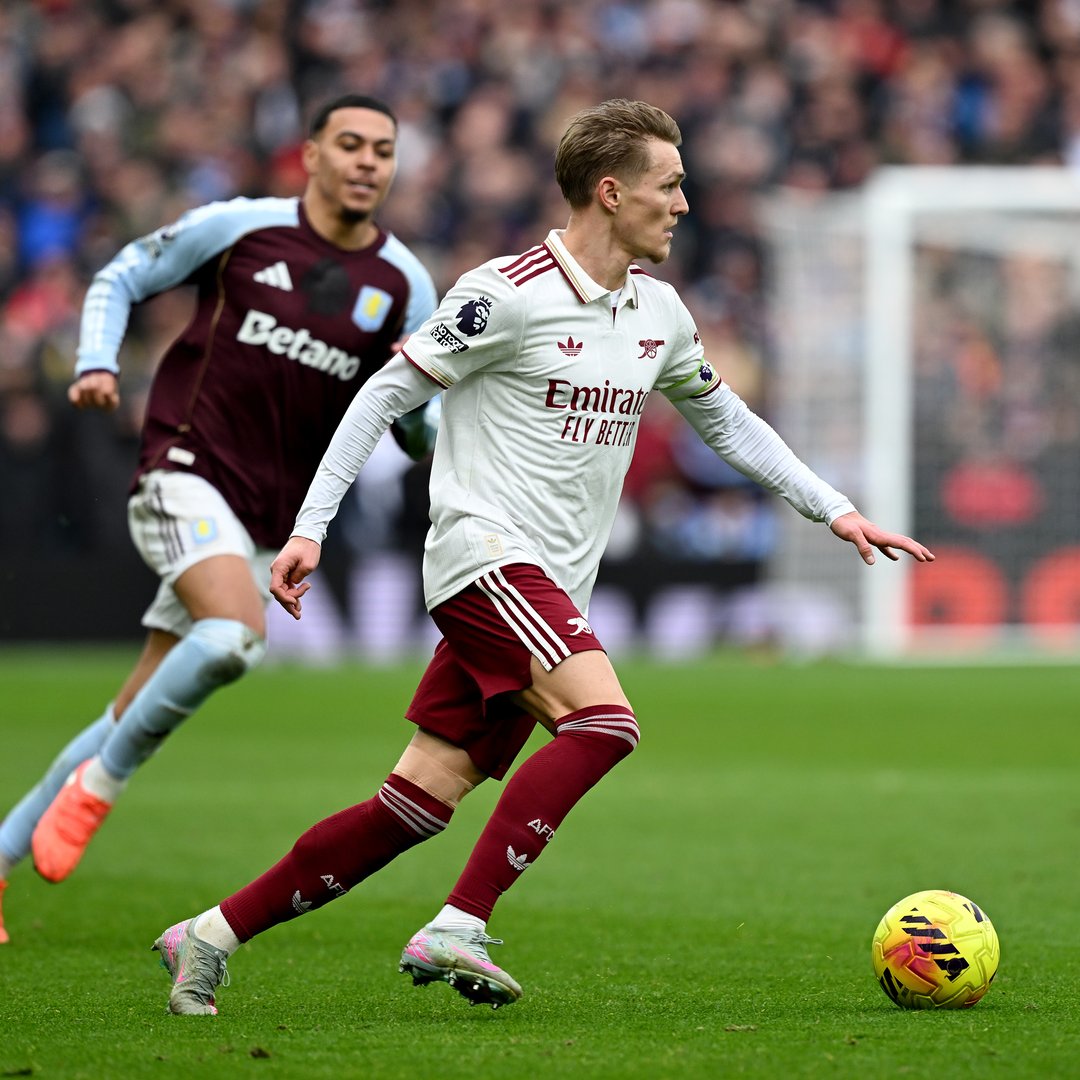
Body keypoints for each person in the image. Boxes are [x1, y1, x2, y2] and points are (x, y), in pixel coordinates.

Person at [151, 98, 934, 1015]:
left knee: (412, 805)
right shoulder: (506, 293)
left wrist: (834, 511)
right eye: (669, 184)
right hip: (485, 559)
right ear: (611, 192)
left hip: (548, 585)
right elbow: (379, 398)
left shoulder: (659, 313)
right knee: (606, 725)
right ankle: (460, 924)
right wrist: (311, 527)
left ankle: (209, 933)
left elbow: (725, 419)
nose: (685, 202)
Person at [0, 94, 439, 944]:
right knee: (236, 638)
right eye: (349, 144)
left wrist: (428, 407)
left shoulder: (405, 285)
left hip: (262, 521)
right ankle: (102, 788)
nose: (366, 163)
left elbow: (414, 425)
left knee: (133, 706)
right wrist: (95, 361)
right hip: (182, 473)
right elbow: (123, 273)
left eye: (382, 151)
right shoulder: (245, 229)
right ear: (309, 155)